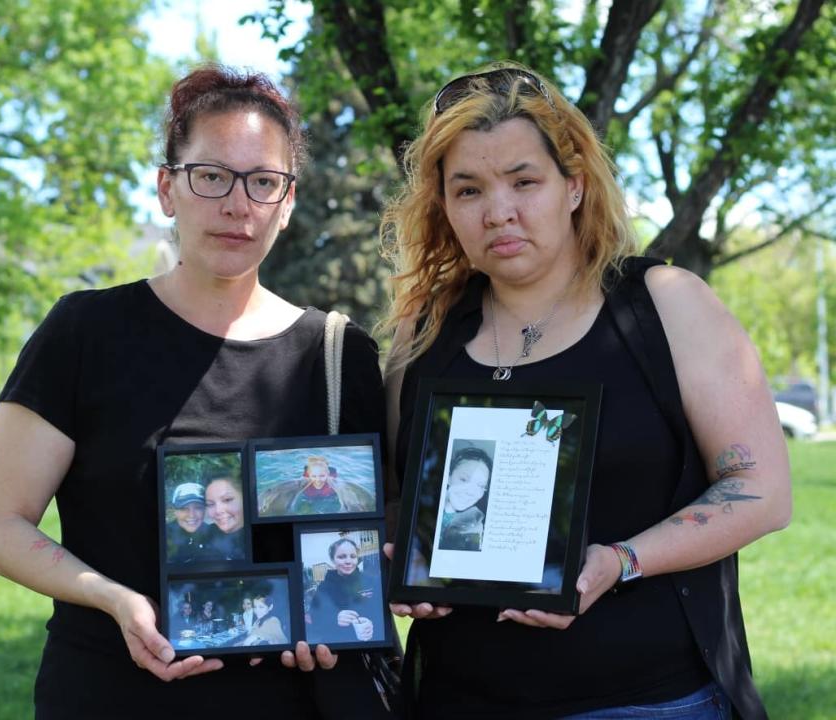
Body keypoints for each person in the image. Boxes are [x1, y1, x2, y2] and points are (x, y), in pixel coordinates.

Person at [0, 63, 391, 718]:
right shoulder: (84, 332)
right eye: (211, 175)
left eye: (263, 182)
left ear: (289, 203)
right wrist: (114, 598)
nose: (237, 203)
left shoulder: (337, 355)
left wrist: (339, 613)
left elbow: (367, 541)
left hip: (287, 702)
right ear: (168, 189)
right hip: (110, 691)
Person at [381, 62, 791, 718]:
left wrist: (619, 561)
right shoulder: (424, 333)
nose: (499, 211)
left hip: (649, 700)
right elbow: (400, 503)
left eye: (524, 181)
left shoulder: (663, 305)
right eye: (468, 191)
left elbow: (762, 491)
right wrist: (396, 563)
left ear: (573, 186)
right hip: (458, 699)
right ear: (445, 208)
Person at [308, 538, 383, 645]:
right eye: (341, 557)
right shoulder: (323, 587)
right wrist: (335, 619)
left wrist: (372, 624)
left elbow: (381, 612)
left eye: (353, 556)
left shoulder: (371, 582)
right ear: (333, 560)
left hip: (369, 645)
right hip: (336, 648)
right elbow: (315, 618)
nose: (348, 561)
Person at [437, 446, 492, 552]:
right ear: (448, 477)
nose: (471, 492)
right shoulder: (426, 508)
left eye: (481, 486)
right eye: (464, 479)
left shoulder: (474, 526)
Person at [199, 474, 246, 560]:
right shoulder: (204, 535)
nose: (218, 511)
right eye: (210, 504)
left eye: (227, 500)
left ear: (245, 498)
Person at [165, 482, 208, 562]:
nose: (192, 515)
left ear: (205, 510)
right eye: (184, 508)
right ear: (175, 511)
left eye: (198, 508)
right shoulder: (163, 536)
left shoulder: (214, 534)